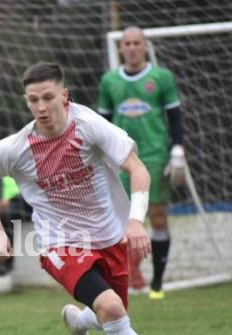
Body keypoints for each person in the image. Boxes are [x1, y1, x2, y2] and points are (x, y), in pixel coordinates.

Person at [0, 61, 190, 335]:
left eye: (48, 97)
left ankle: (77, 322)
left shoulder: (89, 126)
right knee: (112, 308)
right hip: (61, 243)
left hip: (110, 237)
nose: (41, 107)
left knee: (112, 315)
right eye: (33, 100)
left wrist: (135, 222)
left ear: (64, 95)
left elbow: (137, 168)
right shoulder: (16, 148)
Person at [97, 26, 187, 299]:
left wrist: (178, 150)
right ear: (120, 48)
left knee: (157, 216)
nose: (132, 47)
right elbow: (103, 124)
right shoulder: (109, 81)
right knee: (121, 221)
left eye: (137, 42)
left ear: (145, 46)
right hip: (121, 159)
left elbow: (175, 118)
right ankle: (130, 274)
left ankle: (157, 282)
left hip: (153, 156)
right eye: (128, 43)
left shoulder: (161, 78)